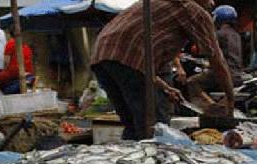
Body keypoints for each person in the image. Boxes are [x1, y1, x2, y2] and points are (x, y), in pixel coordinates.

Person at [91, 0, 234, 140]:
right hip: (128, 56)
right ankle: (153, 159)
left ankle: (131, 159)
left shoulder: (159, 4)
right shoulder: (193, 10)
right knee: (155, 126)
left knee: (133, 124)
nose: (212, 3)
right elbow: (217, 60)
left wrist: (165, 87)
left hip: (101, 53)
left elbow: (139, 62)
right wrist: (230, 98)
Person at [187, 5, 244, 95]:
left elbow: (202, 49)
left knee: (191, 82)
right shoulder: (236, 35)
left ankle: (208, 105)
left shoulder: (219, 34)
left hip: (222, 74)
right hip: (237, 74)